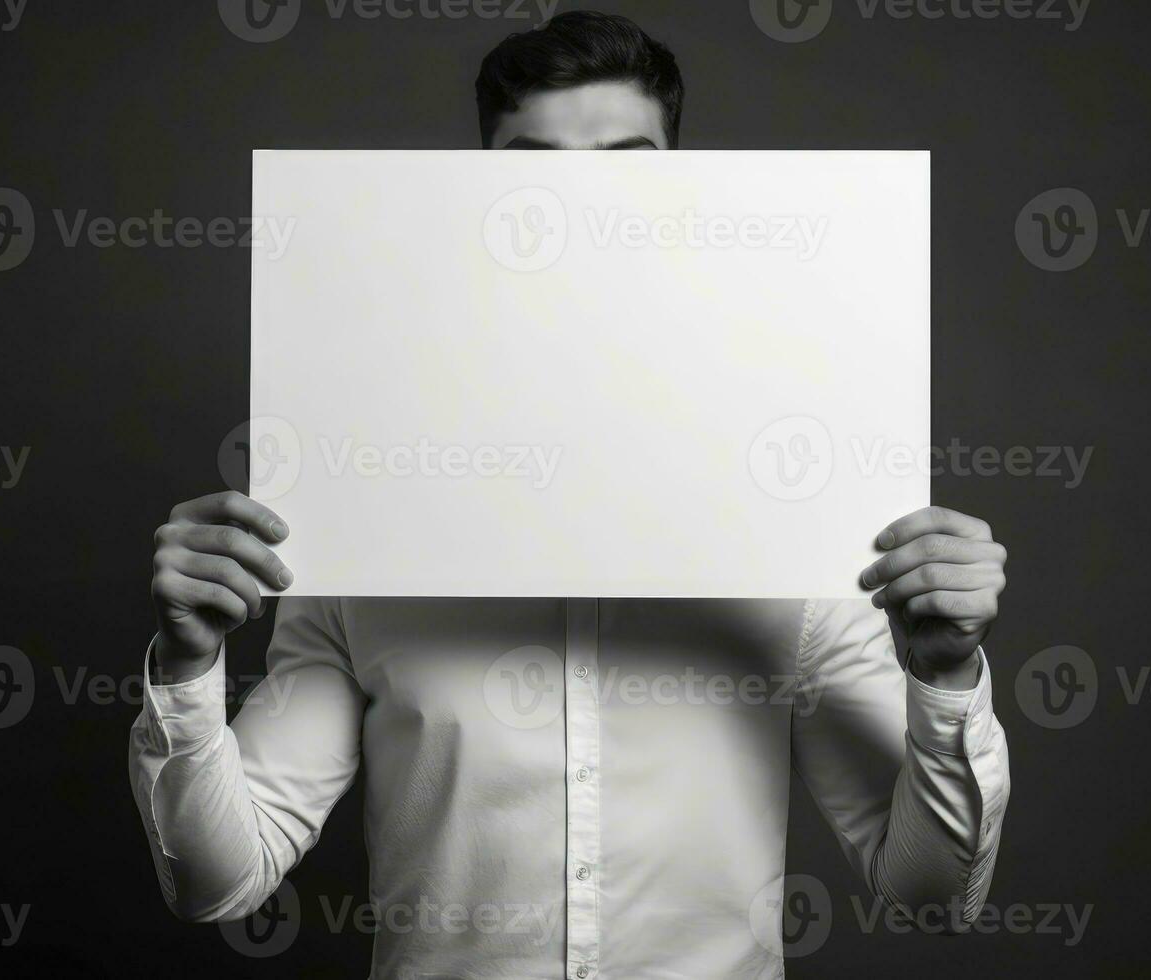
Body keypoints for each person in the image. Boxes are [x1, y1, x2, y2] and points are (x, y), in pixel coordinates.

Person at [129, 11, 1010, 978]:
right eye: (533, 172)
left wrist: (946, 680)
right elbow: (218, 879)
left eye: (628, 172)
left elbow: (932, 894)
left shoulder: (806, 535)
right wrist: (187, 659)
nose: (585, 212)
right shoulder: (364, 532)